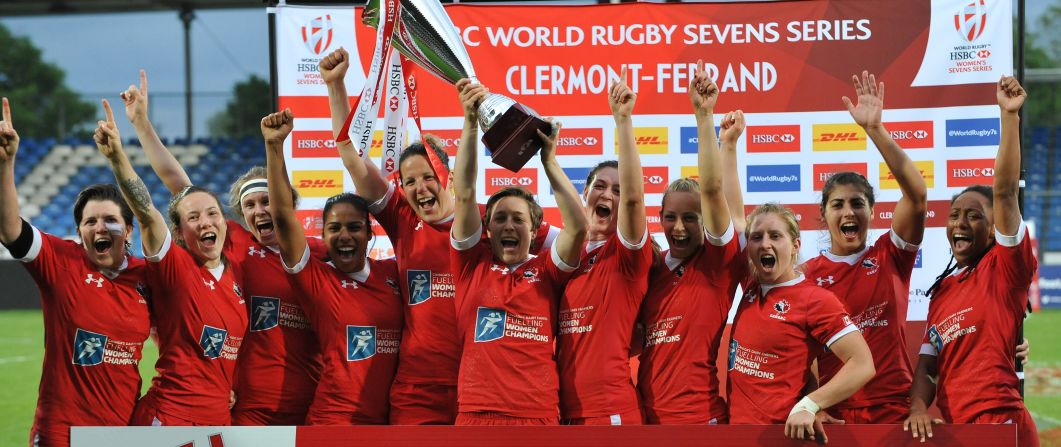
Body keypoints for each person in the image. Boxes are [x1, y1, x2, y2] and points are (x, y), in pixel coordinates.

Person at [317, 48, 556, 424]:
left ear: (446, 173)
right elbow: (351, 156)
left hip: (480, 386)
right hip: (417, 389)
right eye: (408, 181)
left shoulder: (489, 221)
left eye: (427, 176)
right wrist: (335, 86)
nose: (419, 187)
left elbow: (570, 243)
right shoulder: (401, 217)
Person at [119, 70, 323, 425]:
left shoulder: (319, 254)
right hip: (246, 406)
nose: (261, 210)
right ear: (241, 215)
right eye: (250, 205)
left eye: (268, 200)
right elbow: (180, 187)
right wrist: (141, 126)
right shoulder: (236, 244)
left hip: (310, 402)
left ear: (287, 202)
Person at [0, 98, 151, 447]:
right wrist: (6, 164)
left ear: (129, 230)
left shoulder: (148, 276)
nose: (100, 228)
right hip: (61, 432)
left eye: (111, 220)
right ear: (79, 230)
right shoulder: (62, 261)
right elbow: (10, 230)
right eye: (90, 221)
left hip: (123, 433)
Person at [94, 99, 247, 426]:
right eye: (193, 217)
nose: (205, 221)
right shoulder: (175, 267)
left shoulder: (234, 267)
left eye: (212, 214)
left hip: (218, 418)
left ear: (225, 222)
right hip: (170, 417)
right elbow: (147, 214)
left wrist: (142, 124)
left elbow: (181, 183)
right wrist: (119, 157)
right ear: (178, 232)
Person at [905, 76, 1039, 447]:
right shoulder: (942, 290)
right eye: (954, 215)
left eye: (974, 215)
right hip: (959, 429)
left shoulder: (1005, 268)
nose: (960, 223)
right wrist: (918, 407)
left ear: (996, 227)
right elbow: (928, 368)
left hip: (1002, 423)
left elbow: (1006, 191)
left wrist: (1008, 116)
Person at [449, 78, 587, 425]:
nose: (509, 226)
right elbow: (464, 193)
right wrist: (468, 122)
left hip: (536, 416)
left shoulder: (547, 269)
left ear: (535, 228)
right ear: (487, 228)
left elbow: (578, 227)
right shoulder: (470, 265)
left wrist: (549, 161)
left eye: (518, 220)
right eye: (500, 219)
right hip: (476, 415)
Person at [800, 71, 927, 424]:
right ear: (823, 215)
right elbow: (796, 355)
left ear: (872, 211)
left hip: (893, 412)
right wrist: (810, 404)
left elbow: (916, 198)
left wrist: (875, 130)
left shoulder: (891, 256)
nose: (848, 212)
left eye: (857, 203)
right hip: (835, 417)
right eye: (837, 205)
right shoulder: (806, 276)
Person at [262, 109, 402, 425]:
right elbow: (283, 215)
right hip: (334, 422)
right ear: (322, 236)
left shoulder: (394, 274)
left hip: (389, 424)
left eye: (354, 227)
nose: (344, 236)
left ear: (370, 232)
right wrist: (274, 147)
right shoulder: (316, 279)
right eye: (334, 229)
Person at [638, 63, 748, 425]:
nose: (679, 227)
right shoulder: (650, 267)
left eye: (691, 218)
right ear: (660, 216)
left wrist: (704, 117)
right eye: (670, 217)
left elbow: (718, 195)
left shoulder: (718, 263)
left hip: (698, 421)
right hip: (645, 421)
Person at [729, 202, 875, 442]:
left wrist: (810, 405)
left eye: (775, 236)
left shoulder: (815, 299)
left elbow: (863, 363)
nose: (765, 243)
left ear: (795, 245)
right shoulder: (751, 285)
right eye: (757, 237)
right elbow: (730, 204)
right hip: (737, 436)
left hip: (781, 437)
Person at [557, 67, 653, 425]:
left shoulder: (628, 256)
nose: (608, 195)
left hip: (610, 413)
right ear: (584, 193)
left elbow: (632, 201)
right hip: (561, 413)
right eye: (599, 186)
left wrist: (623, 122)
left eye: (617, 188)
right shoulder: (562, 253)